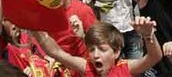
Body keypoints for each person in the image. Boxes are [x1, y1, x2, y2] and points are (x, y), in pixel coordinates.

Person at [32, 18, 162, 77]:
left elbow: (154, 57)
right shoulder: (86, 67)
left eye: (102, 49)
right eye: (91, 49)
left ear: (116, 52)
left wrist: (148, 35)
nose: (95, 55)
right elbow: (55, 52)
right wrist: (31, 24)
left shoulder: (126, 68)